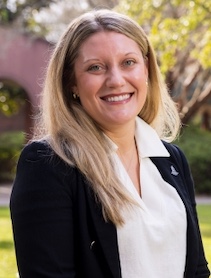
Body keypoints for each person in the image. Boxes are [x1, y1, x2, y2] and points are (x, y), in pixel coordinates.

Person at [10, 9, 210, 278]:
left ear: (147, 69)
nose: (116, 80)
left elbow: (196, 269)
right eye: (95, 67)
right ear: (72, 83)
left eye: (128, 62)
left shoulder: (172, 160)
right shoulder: (48, 164)